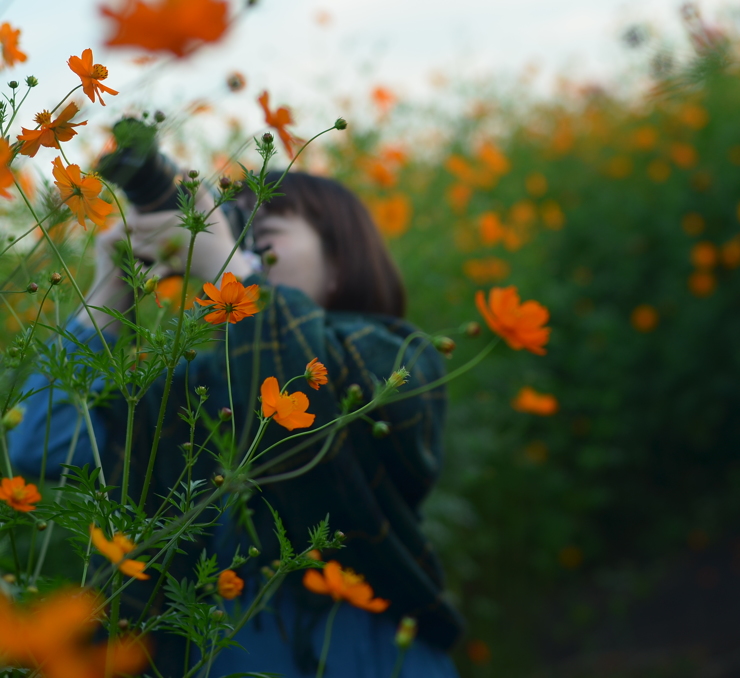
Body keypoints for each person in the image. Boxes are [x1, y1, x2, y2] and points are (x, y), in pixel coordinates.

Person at [8, 171, 463, 677]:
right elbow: (40, 441)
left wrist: (236, 271)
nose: (231, 248)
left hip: (366, 656)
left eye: (260, 238)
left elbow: (301, 399)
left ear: (340, 261)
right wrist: (110, 289)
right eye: (227, 234)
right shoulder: (199, 385)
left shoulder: (395, 356)